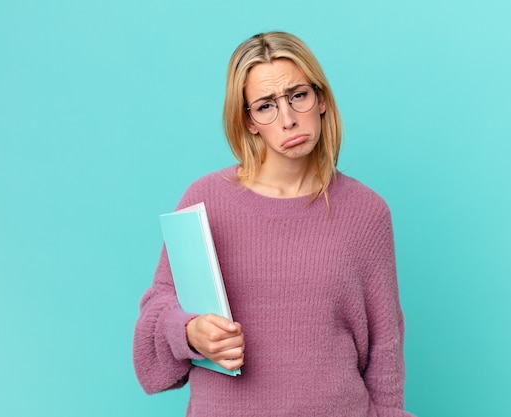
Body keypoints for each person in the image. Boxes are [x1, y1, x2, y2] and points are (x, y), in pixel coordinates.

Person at [133, 31, 413, 417]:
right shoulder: (205, 200)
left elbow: (385, 348)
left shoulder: (367, 212)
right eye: (265, 106)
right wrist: (189, 332)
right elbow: (158, 308)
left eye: (298, 95)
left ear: (322, 100)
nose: (287, 119)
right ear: (248, 121)